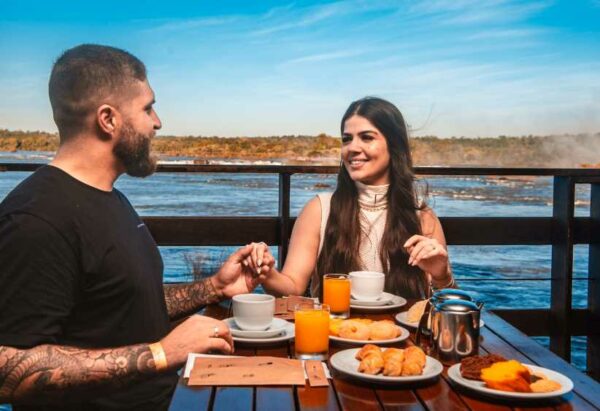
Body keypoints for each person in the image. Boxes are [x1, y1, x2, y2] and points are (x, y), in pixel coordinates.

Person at [0, 44, 273, 410]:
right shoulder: (35, 219)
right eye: (147, 108)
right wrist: (163, 353)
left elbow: (123, 307)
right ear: (108, 119)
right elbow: (6, 369)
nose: (157, 122)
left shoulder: (109, 198)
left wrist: (214, 288)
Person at [247, 97, 454, 299]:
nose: (352, 148)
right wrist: (266, 273)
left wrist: (442, 276)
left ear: (394, 146)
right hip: (333, 323)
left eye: (367, 137)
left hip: (403, 324)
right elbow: (293, 287)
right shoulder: (319, 210)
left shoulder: (422, 217)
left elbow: (448, 307)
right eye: (347, 139)